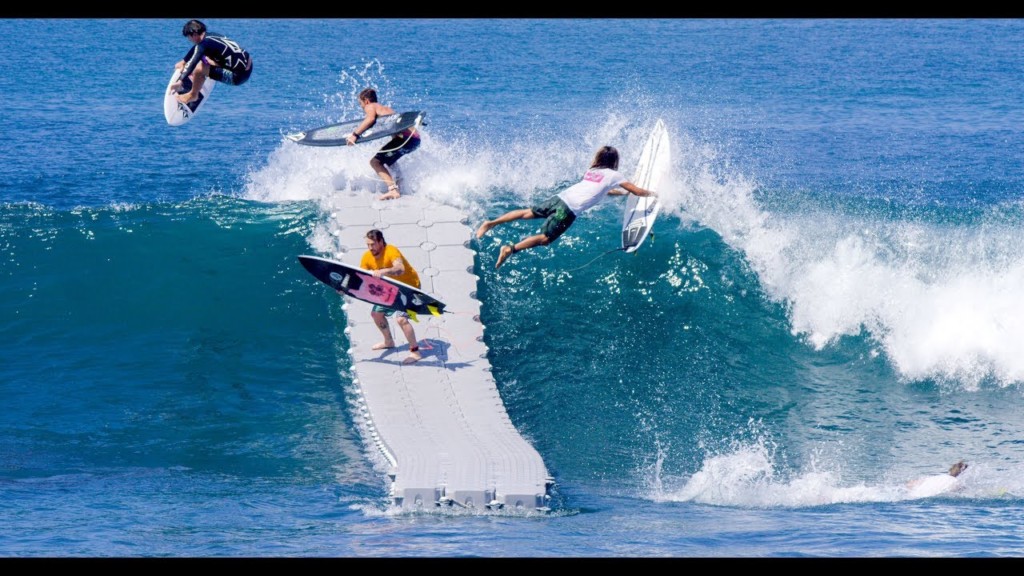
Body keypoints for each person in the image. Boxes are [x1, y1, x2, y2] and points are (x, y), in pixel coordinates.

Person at [475, 145, 657, 269]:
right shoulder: (614, 175)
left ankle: (490, 223)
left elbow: (602, 191)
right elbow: (638, 191)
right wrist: (655, 193)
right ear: (614, 161)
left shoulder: (593, 172)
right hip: (568, 210)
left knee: (527, 213)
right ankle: (510, 249)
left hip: (560, 198)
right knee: (545, 239)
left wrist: (623, 193)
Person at [358, 229, 422, 364]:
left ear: (381, 241)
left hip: (409, 289)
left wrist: (383, 271)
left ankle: (415, 352)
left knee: (401, 320)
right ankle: (388, 341)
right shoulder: (367, 257)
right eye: (368, 245)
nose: (370, 248)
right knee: (376, 314)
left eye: (373, 244)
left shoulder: (391, 251)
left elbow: (400, 269)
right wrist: (343, 288)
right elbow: (360, 277)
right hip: (390, 290)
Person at [345, 88, 421, 201]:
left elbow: (370, 119)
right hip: (414, 139)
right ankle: (401, 184)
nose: (361, 107)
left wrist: (355, 135)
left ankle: (393, 190)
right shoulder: (386, 109)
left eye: (360, 103)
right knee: (389, 160)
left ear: (366, 101)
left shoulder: (371, 106)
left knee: (375, 162)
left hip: (405, 138)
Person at [171, 20, 253, 108]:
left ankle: (193, 95)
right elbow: (197, 48)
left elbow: (193, 62)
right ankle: (211, 69)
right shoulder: (211, 36)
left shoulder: (203, 46)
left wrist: (181, 80)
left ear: (194, 35)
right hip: (249, 65)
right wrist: (184, 61)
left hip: (237, 77)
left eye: (189, 37)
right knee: (207, 58)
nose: (189, 40)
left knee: (199, 68)